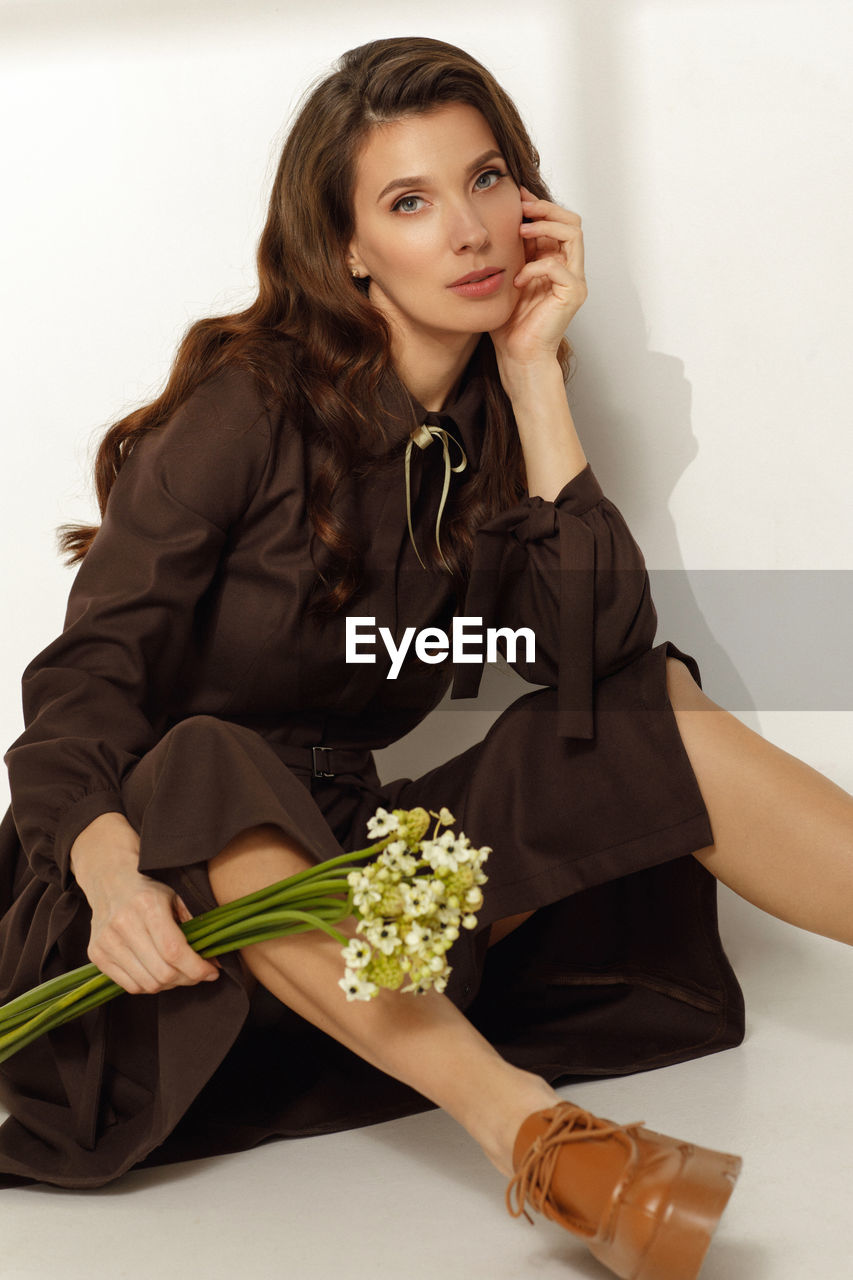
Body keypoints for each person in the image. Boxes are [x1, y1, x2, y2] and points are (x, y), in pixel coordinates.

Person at [1, 32, 851, 1279]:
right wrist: (112, 865)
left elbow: (601, 664)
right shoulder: (248, 405)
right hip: (155, 929)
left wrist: (534, 373)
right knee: (201, 755)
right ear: (347, 248)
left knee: (644, 707)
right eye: (410, 200)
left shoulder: (487, 426)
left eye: (488, 178)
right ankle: (548, 1145)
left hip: (362, 911)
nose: (468, 229)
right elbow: (82, 679)